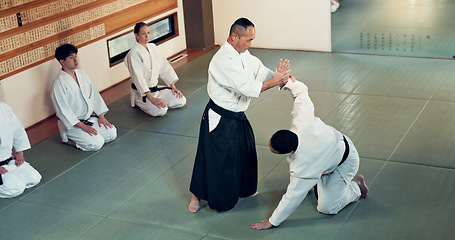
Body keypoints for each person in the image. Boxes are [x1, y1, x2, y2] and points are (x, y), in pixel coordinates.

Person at [188, 17, 291, 213]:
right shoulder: (222, 60)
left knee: (246, 151)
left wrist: (280, 77)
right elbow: (248, 88)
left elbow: (261, 72)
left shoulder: (244, 55)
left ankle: (245, 188)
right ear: (235, 36)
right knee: (213, 158)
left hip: (238, 116)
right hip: (220, 117)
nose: (251, 43)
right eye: (248, 39)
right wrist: (275, 81)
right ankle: (197, 196)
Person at [251, 76, 369, 230]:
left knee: (327, 208)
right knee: (315, 180)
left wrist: (272, 221)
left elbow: (292, 198)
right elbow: (301, 92)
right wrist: (288, 82)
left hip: (344, 162)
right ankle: (320, 180)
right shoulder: (302, 120)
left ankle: (357, 188)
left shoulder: (301, 167)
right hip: (329, 152)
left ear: (290, 151)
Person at [51, 44, 117, 151]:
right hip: (73, 125)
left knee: (111, 133)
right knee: (96, 144)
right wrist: (83, 126)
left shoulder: (82, 75)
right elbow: (64, 112)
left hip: (89, 119)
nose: (75, 60)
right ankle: (68, 140)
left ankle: (90, 134)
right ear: (62, 62)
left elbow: (94, 95)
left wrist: (101, 116)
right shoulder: (58, 84)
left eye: (76, 56)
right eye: (71, 57)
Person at [124, 22, 186, 117]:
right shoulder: (133, 54)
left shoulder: (152, 47)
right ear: (136, 35)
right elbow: (138, 78)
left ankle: (160, 101)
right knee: (161, 111)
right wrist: (151, 98)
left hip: (157, 90)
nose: (147, 36)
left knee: (181, 100)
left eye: (148, 33)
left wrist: (173, 87)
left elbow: (164, 67)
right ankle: (139, 102)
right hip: (142, 94)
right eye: (143, 33)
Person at [0, 101, 41, 198]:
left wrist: (19, 154)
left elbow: (18, 130)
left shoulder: (3, 108)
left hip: (8, 158)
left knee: (34, 178)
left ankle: (10, 175)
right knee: (15, 189)